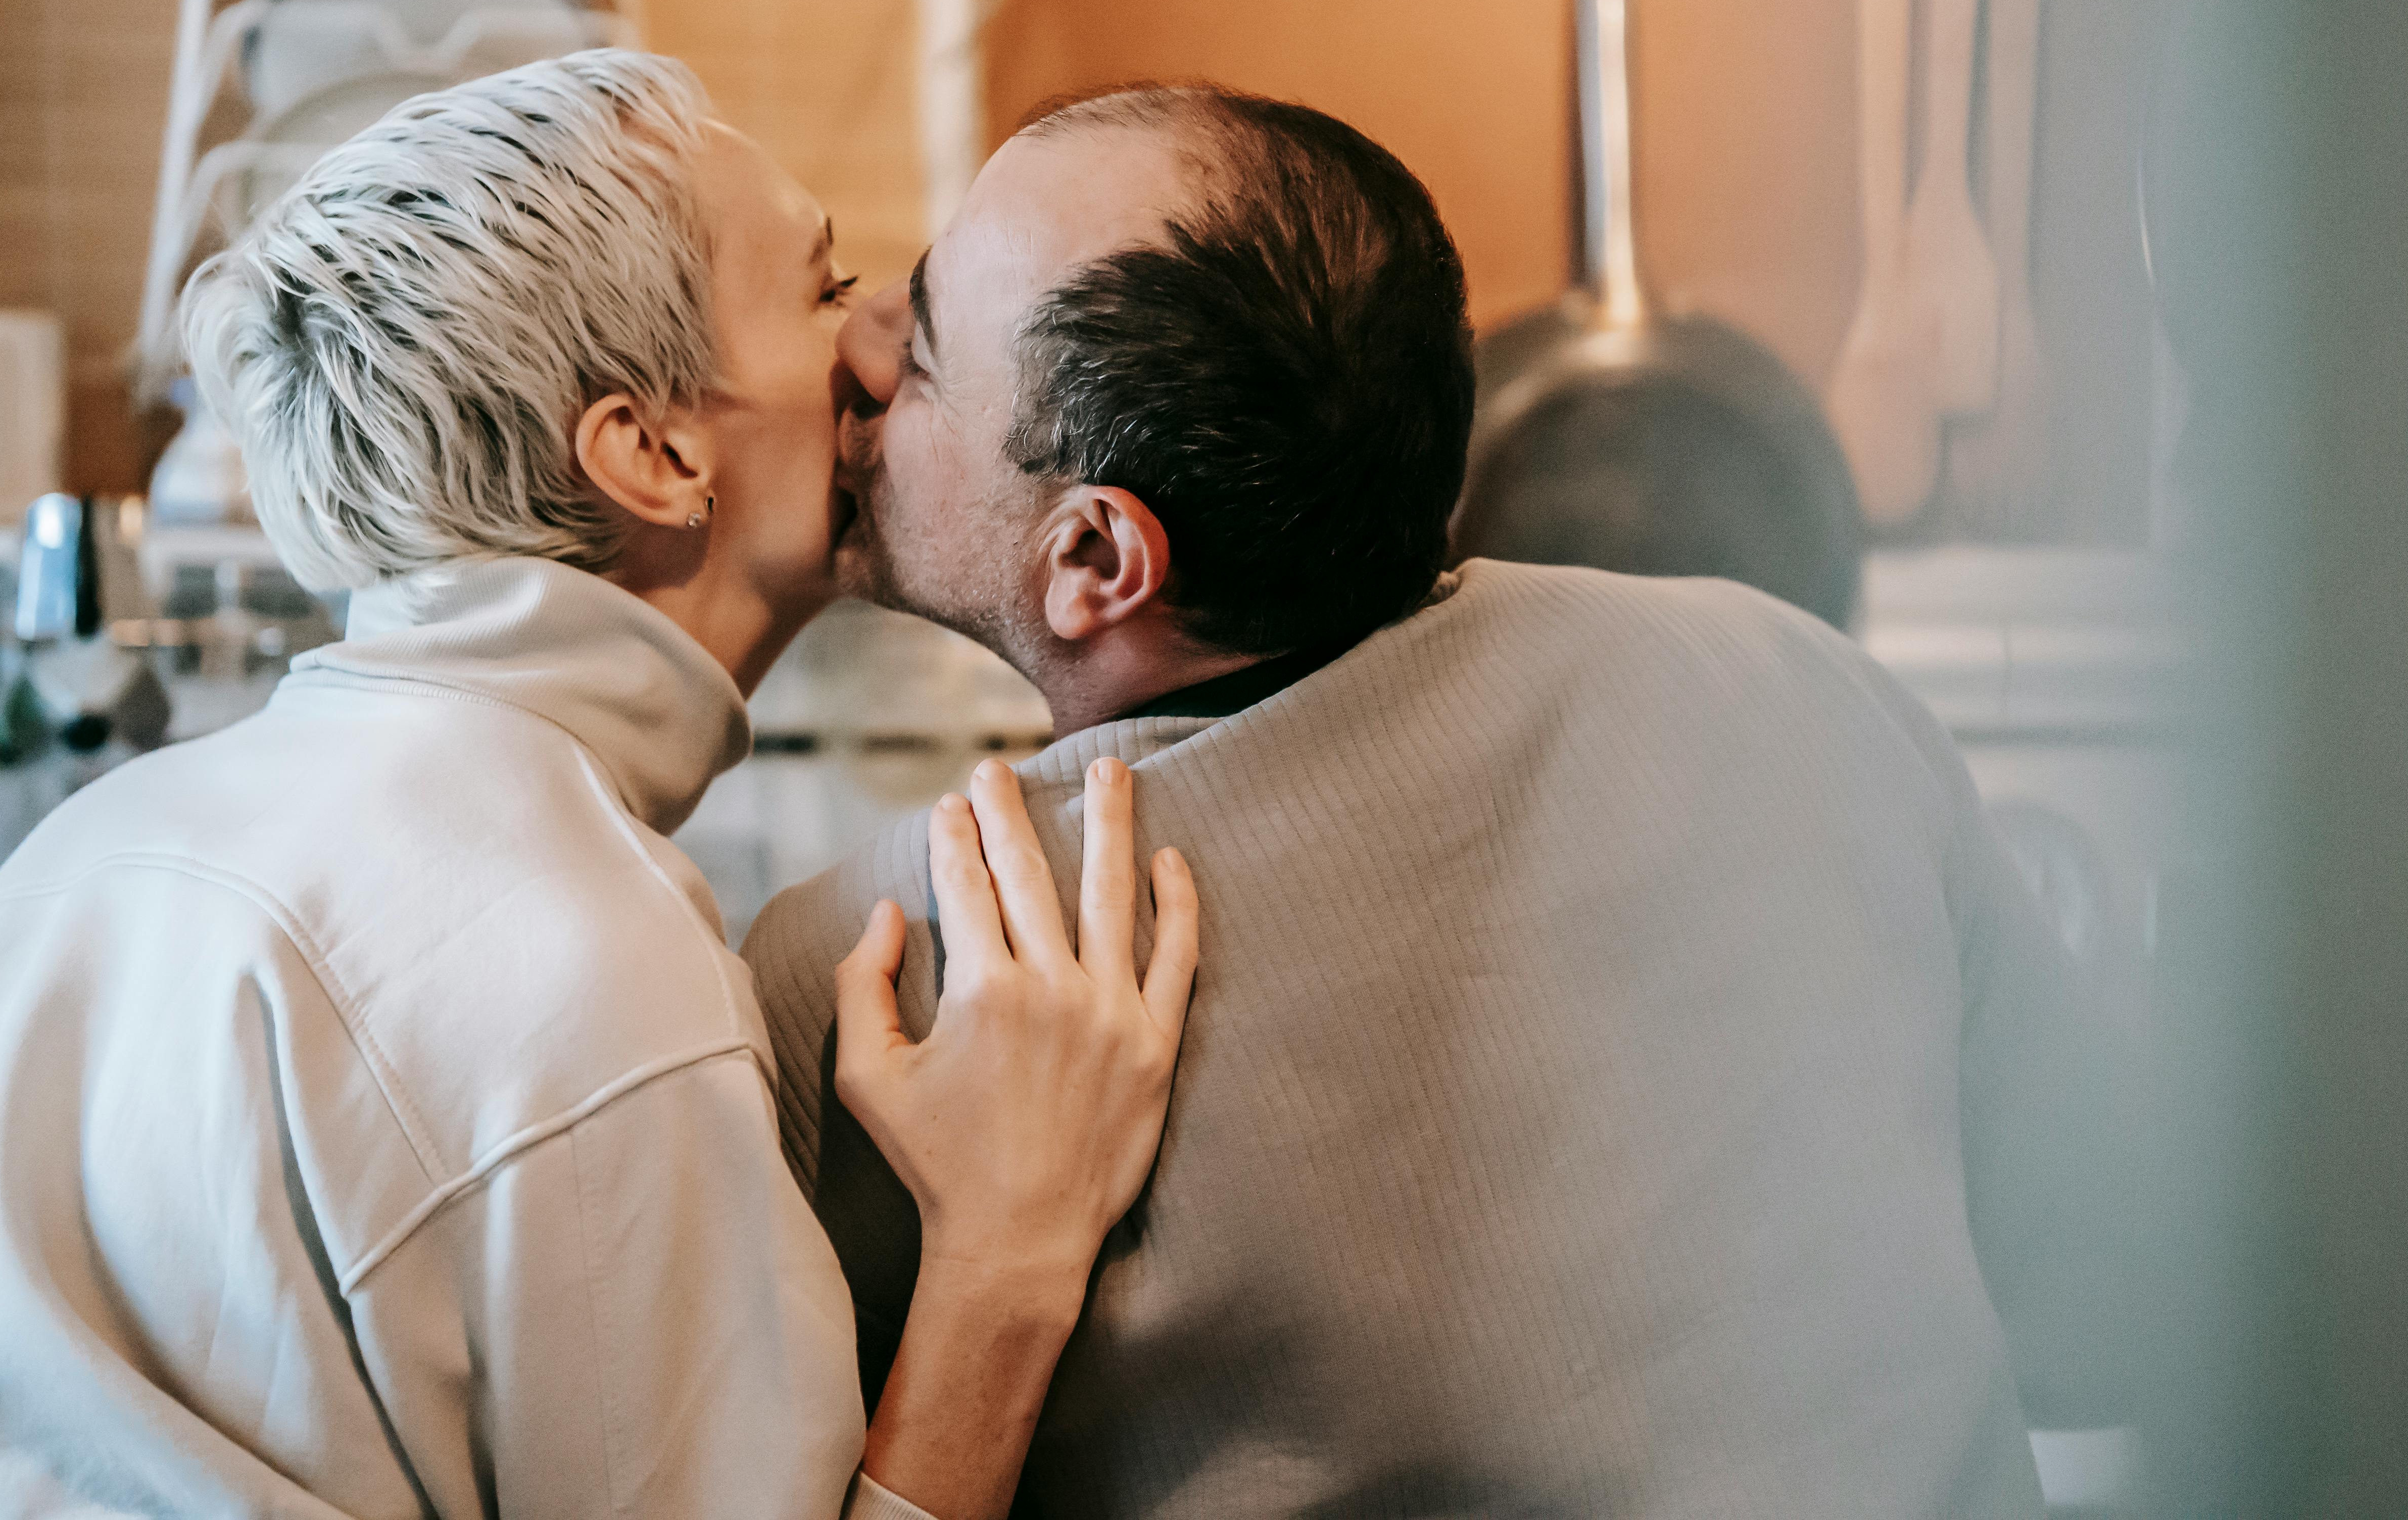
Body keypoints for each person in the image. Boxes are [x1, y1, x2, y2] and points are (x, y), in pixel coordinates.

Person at [742, 84, 2133, 1516]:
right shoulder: (1790, 678)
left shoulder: (874, 977)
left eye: (915, 352)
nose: (854, 351)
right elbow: (2118, 1318)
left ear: (1095, 557)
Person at [0, 51, 1200, 1520]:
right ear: (648, 450)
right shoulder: (585, 974)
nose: (889, 338)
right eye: (826, 292)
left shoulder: (92, 848)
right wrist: (1011, 1256)